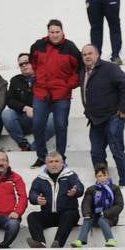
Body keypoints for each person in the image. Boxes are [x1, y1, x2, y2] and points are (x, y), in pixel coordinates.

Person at [29, 20, 83, 168]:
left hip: (61, 94)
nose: (54, 35)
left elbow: (80, 70)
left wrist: (69, 85)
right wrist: (37, 77)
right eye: (51, 32)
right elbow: (32, 62)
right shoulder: (38, 45)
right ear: (48, 32)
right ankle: (41, 156)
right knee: (37, 124)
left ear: (62, 31)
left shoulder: (70, 47)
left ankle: (60, 158)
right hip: (41, 92)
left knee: (61, 126)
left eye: (57, 32)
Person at [81, 43, 125, 187]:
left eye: (90, 53)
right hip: (95, 119)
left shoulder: (110, 68)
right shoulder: (83, 71)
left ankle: (124, 183)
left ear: (97, 55)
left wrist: (123, 109)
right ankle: (103, 183)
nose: (87, 57)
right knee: (96, 153)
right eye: (84, 55)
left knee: (116, 150)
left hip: (113, 117)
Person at [26, 153, 84, 248]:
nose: (54, 164)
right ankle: (40, 243)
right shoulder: (40, 178)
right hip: (49, 215)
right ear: (46, 164)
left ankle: (58, 243)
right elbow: (33, 192)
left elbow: (79, 187)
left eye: (56, 161)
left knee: (70, 214)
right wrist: (36, 199)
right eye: (51, 162)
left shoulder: (71, 175)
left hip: (67, 214)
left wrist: (75, 191)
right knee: (32, 216)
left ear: (62, 163)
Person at [74, 165, 121, 247]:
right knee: (87, 219)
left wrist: (105, 213)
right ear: (96, 177)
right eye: (99, 176)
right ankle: (80, 240)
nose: (102, 178)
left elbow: (119, 205)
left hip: (110, 217)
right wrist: (87, 214)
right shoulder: (91, 189)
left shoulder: (114, 188)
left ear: (108, 175)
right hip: (95, 216)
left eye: (104, 175)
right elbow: (86, 203)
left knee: (102, 219)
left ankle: (110, 239)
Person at [2, 53, 40, 152]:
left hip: (41, 119)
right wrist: (25, 108)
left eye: (26, 63)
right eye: (21, 64)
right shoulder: (15, 80)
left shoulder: (43, 77)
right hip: (23, 119)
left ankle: (35, 146)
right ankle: (23, 144)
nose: (24, 66)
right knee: (6, 114)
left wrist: (38, 111)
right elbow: (9, 100)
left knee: (53, 118)